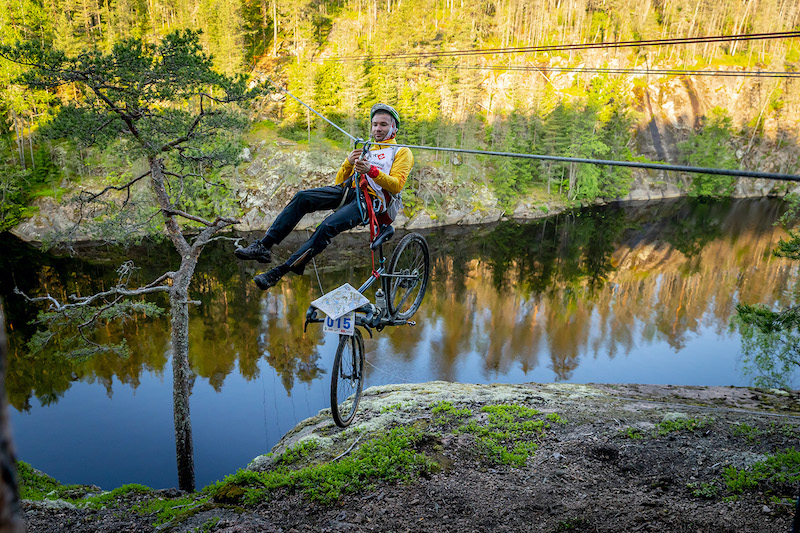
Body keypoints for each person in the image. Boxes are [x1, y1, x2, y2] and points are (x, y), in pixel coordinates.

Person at [234, 103, 414, 290]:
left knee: (327, 226)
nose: (377, 129)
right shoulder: (368, 149)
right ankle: (263, 246)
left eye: (383, 124)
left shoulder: (401, 152)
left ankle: (279, 272)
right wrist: (348, 163)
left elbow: (396, 186)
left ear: (393, 128)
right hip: (350, 191)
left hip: (373, 203)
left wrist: (372, 170)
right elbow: (339, 182)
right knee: (302, 198)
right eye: (375, 124)